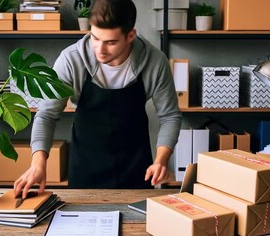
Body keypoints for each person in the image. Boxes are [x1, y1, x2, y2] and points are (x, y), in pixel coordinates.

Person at [14, 0, 181, 198]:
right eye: (94, 38)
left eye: (110, 42)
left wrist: (161, 160)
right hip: (84, 168)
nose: (100, 49)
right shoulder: (71, 60)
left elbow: (170, 116)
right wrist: (38, 164)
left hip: (137, 169)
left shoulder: (154, 61)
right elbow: (47, 115)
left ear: (130, 36)